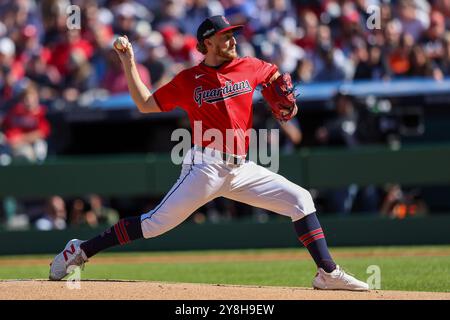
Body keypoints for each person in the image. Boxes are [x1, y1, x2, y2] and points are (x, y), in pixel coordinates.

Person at [49, 15, 369, 291]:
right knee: (153, 225)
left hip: (241, 168)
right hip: (205, 166)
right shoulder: (190, 79)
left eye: (233, 34)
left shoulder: (249, 66)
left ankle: (327, 273)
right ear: (208, 42)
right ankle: (79, 250)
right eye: (225, 36)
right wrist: (129, 62)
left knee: (301, 200)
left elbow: (274, 78)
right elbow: (146, 104)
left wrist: (285, 98)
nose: (232, 39)